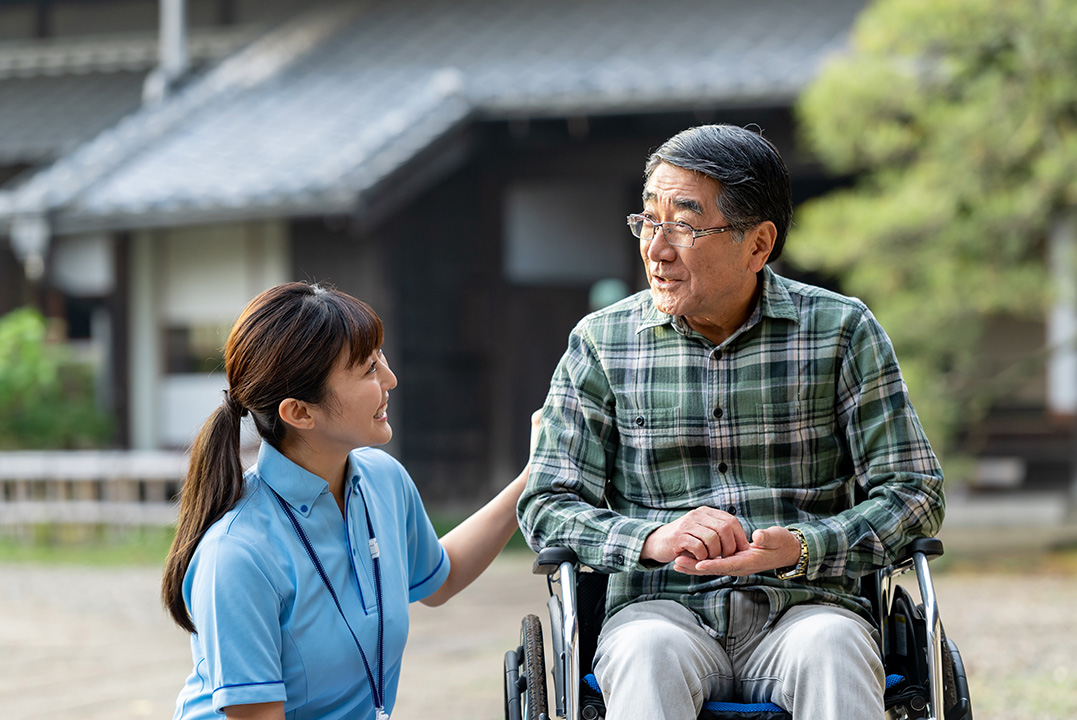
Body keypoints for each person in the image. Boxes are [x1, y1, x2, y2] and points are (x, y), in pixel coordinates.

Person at [517, 124, 945, 720]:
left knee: (833, 647)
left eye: (684, 226)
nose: (657, 249)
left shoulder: (842, 332)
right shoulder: (601, 342)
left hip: (807, 608)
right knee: (645, 653)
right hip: (659, 612)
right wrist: (653, 540)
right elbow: (547, 503)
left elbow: (915, 493)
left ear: (758, 245)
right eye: (648, 221)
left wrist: (802, 547)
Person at [161, 282, 531, 720]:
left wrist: (532, 477)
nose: (390, 379)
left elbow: (441, 578)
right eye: (369, 369)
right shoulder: (237, 555)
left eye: (380, 357)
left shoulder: (383, 479)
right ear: (300, 412)